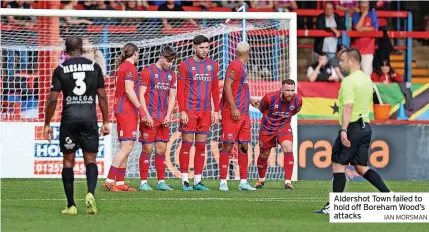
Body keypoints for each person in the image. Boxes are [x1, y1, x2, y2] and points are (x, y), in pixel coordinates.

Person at [315, 48, 390, 214]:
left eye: (342, 60)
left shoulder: (349, 81)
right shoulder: (366, 79)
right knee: (361, 167)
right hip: (365, 127)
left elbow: (348, 105)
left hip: (352, 127)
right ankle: (388, 195)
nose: (340, 64)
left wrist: (343, 129)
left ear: (351, 60)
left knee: (338, 164)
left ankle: (334, 206)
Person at [43, 36, 110, 215]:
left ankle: (71, 205)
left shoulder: (60, 69)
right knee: (90, 160)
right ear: (81, 49)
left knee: (68, 161)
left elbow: (52, 99)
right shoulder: (94, 67)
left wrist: (47, 123)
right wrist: (105, 121)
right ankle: (90, 193)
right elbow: (102, 97)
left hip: (69, 120)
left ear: (66, 50)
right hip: (89, 119)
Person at [177, 35, 220, 191]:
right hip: (189, 110)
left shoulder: (213, 65)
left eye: (207, 47)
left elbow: (215, 88)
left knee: (201, 146)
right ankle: (184, 181)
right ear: (194, 47)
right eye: (201, 47)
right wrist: (182, 111)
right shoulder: (185, 65)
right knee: (187, 145)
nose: (205, 50)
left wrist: (217, 110)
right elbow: (180, 91)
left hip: (206, 111)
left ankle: (197, 181)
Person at [103, 43, 146, 192]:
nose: (138, 56)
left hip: (122, 109)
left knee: (126, 147)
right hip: (127, 110)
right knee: (127, 146)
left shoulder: (121, 67)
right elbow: (129, 90)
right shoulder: (130, 68)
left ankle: (120, 182)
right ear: (134, 53)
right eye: (138, 53)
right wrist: (141, 109)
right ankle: (109, 180)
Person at [219, 41, 260, 191]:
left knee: (243, 146)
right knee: (228, 145)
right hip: (233, 112)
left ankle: (243, 181)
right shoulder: (235, 65)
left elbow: (239, 89)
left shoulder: (242, 67)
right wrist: (233, 107)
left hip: (244, 112)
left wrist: (250, 100)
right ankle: (223, 181)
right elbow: (227, 85)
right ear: (249, 52)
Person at [138, 45, 177, 191]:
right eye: (169, 61)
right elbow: (140, 94)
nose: (171, 64)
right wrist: (145, 114)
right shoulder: (148, 71)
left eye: (172, 61)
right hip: (149, 117)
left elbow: (172, 96)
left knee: (161, 150)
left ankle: (161, 182)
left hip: (163, 118)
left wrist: (168, 114)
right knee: (147, 149)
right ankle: (143, 182)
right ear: (161, 57)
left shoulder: (171, 74)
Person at [255, 79, 302, 190]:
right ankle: (261, 179)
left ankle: (288, 182)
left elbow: (294, 111)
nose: (290, 93)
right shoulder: (269, 98)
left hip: (283, 126)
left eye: (292, 90)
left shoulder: (298, 100)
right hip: (267, 128)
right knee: (264, 155)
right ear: (281, 89)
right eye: (287, 90)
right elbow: (262, 108)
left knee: (288, 147)